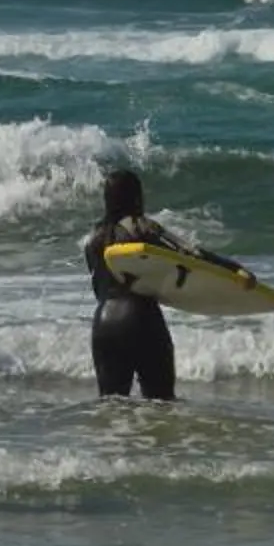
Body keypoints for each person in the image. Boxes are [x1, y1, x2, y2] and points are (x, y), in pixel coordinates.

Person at [81, 167, 214, 402]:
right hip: (139, 317)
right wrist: (234, 269)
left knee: (112, 406)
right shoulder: (141, 226)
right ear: (136, 196)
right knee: (161, 402)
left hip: (104, 322)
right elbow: (191, 253)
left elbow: (98, 286)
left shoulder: (94, 237)